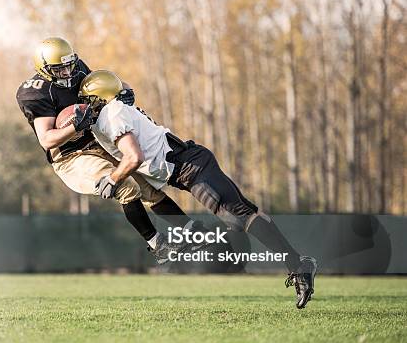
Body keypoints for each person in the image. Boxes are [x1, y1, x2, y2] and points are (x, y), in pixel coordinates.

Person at [78, 70, 317, 309]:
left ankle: (298, 265)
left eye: (87, 100)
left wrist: (113, 178)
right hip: (184, 169)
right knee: (239, 218)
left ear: (99, 99)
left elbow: (134, 157)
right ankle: (289, 264)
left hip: (191, 168)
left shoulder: (113, 113)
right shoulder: (111, 113)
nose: (84, 106)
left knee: (239, 215)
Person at [16, 37, 205, 265]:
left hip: (97, 141)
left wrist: (123, 90)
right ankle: (158, 244)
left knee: (147, 187)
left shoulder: (76, 69)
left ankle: (192, 231)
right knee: (125, 186)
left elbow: (102, 82)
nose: (67, 71)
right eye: (59, 68)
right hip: (70, 156)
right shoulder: (35, 93)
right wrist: (76, 125)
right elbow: (47, 139)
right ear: (44, 70)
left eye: (69, 64)